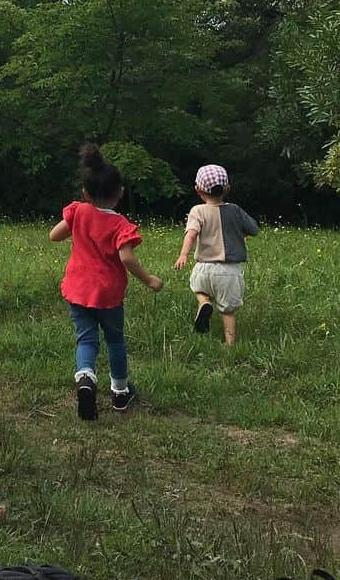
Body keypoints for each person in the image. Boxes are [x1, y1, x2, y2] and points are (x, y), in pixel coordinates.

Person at [49, 144, 164, 419]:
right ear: (120, 193)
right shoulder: (120, 225)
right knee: (115, 341)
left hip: (78, 289)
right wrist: (149, 279)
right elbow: (126, 258)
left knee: (86, 340)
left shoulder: (78, 212)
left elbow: (54, 235)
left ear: (85, 193)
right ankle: (121, 393)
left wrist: (75, 224)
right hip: (108, 294)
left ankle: (86, 379)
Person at [174, 164, 259, 346]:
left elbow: (191, 234)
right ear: (227, 188)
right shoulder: (235, 210)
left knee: (198, 289)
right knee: (228, 311)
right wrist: (240, 233)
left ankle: (204, 302)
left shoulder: (197, 211)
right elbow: (254, 229)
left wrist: (183, 255)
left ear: (198, 189)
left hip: (203, 268)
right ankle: (230, 345)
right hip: (229, 272)